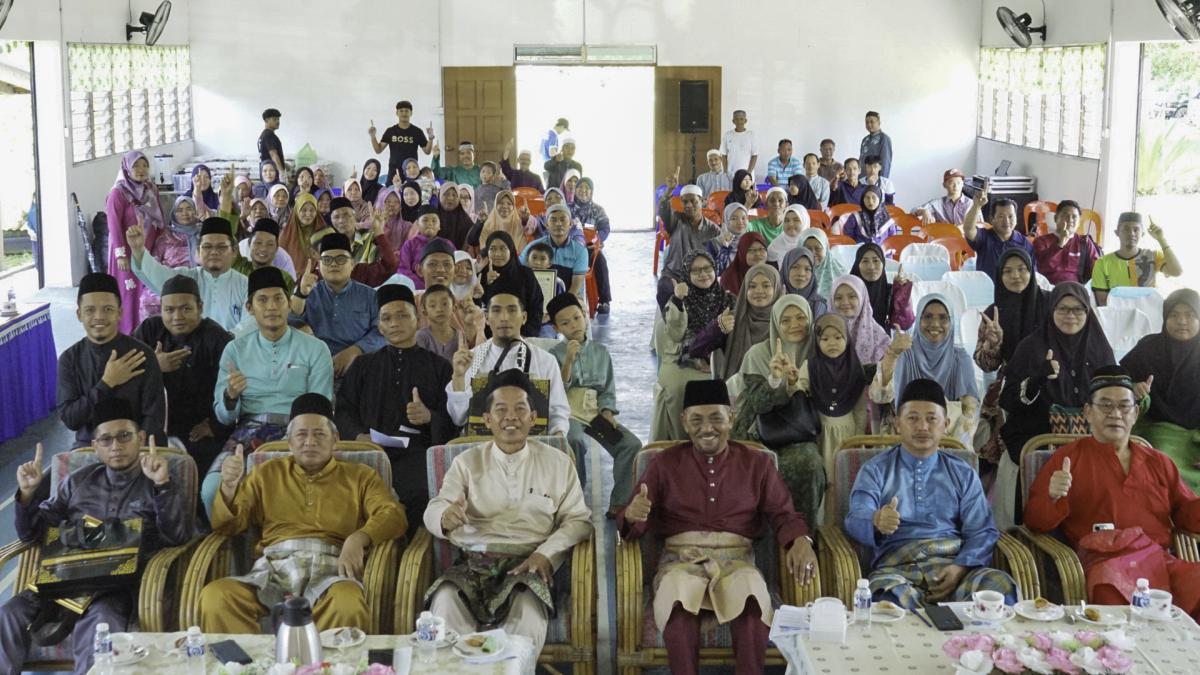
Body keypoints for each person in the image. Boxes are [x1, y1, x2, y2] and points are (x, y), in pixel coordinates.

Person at [619, 379, 817, 675]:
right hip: (680, 562)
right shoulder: (663, 463)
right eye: (696, 420)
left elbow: (784, 513)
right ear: (684, 422)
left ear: (731, 418)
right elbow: (633, 521)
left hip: (738, 562)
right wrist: (632, 516)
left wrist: (800, 539)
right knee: (678, 606)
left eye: (716, 418)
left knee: (752, 606)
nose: (706, 428)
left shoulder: (757, 464)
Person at [0, 399, 188, 675]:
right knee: (8, 614)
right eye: (106, 439)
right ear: (95, 446)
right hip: (64, 579)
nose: (116, 446)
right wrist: (28, 495)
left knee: (101, 624)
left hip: (117, 588)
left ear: (140, 438)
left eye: (124, 436)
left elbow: (176, 537)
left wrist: (162, 485)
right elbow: (33, 534)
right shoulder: (78, 481)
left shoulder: (159, 480)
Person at [200, 393, 407, 632]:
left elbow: (393, 514)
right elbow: (227, 526)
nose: (310, 442)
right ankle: (247, 658)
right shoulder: (265, 474)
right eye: (301, 434)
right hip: (273, 569)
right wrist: (228, 487)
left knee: (347, 602)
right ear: (289, 442)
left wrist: (359, 538)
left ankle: (322, 658)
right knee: (217, 596)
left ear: (335, 440)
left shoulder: (360, 476)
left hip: (333, 568)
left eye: (319, 434)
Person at [425, 369, 592, 658]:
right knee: (445, 603)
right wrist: (444, 516)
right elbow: (436, 506)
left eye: (520, 409)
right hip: (474, 564)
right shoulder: (467, 463)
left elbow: (579, 521)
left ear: (533, 418)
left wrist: (546, 554)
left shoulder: (558, 463)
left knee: (527, 616)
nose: (511, 417)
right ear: (487, 419)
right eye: (501, 410)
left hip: (530, 564)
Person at [1025, 366, 1200, 618]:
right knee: (1111, 587)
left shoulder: (1159, 462)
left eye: (1124, 406)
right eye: (1105, 405)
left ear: (1135, 413)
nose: (1115, 414)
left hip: (1159, 563)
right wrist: (1052, 496)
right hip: (1102, 565)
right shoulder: (1068, 459)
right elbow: (1034, 521)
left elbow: (1188, 515)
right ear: (1088, 412)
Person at [845, 378, 1015, 608]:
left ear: (945, 424)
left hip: (955, 567)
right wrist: (875, 519)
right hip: (897, 570)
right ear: (897, 423)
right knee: (888, 599)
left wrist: (960, 567)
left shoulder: (962, 472)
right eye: (912, 418)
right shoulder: (875, 470)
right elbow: (855, 516)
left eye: (931, 419)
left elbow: (982, 530)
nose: (922, 427)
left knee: (999, 586)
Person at [200, 267, 334, 515]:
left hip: (301, 431)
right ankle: (230, 541)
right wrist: (231, 396)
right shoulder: (235, 350)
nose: (271, 306)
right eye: (262, 300)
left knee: (282, 490)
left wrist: (292, 439)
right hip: (249, 430)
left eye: (278, 299)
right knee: (211, 490)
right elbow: (224, 417)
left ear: (289, 304)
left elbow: (322, 406)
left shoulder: (315, 348)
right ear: (250, 308)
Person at [336, 284, 454, 530]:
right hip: (369, 451)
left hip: (416, 454)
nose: (394, 323)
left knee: (420, 493)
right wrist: (358, 436)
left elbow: (452, 419)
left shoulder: (440, 367)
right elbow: (344, 410)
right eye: (387, 318)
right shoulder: (363, 365)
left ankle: (415, 549)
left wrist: (429, 417)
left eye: (402, 315)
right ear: (379, 326)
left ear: (418, 319)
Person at [997, 282, 1115, 526]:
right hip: (1039, 434)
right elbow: (1007, 400)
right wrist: (1036, 380)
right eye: (1062, 309)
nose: (1070, 315)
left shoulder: (1100, 349)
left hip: (1090, 439)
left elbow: (1112, 398)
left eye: (1078, 309)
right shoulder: (1031, 347)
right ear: (1051, 311)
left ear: (1088, 312)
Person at [729, 294, 827, 524]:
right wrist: (774, 380)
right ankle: (757, 534)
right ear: (775, 323)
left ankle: (803, 532)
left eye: (801, 317)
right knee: (753, 467)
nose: (794, 325)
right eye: (786, 320)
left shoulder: (819, 352)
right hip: (757, 431)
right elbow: (757, 405)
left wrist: (796, 384)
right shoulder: (758, 354)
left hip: (799, 434)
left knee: (810, 465)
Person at [547, 293, 642, 513]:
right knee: (574, 440)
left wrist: (607, 410)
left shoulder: (601, 352)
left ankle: (620, 502)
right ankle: (575, 500)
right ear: (556, 328)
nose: (574, 325)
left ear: (585, 316)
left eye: (577, 318)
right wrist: (568, 360)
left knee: (630, 444)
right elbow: (556, 391)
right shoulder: (553, 354)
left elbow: (607, 388)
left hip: (594, 412)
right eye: (565, 323)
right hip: (569, 412)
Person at [444, 284, 572, 441]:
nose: (504, 317)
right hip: (482, 446)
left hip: (531, 446)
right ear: (487, 318)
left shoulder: (545, 361)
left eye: (511, 310)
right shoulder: (472, 359)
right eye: (496, 311)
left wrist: (558, 437)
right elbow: (458, 418)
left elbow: (558, 412)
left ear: (524, 317)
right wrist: (458, 377)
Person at [133, 275, 232, 474]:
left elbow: (231, 387)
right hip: (154, 424)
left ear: (200, 307)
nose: (177, 317)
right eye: (169, 310)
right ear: (161, 309)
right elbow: (126, 374)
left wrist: (215, 425)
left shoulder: (216, 338)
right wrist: (154, 366)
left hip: (199, 428)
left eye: (186, 309)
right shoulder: (149, 331)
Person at [58, 272, 165, 448]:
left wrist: (133, 450)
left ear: (119, 313)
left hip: (137, 449)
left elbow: (154, 417)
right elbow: (71, 419)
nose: (99, 316)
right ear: (79, 314)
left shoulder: (142, 355)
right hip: (89, 448)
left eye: (108, 309)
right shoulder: (69, 359)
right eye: (90, 310)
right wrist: (107, 383)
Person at [1121, 289, 1200, 492]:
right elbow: (1119, 380)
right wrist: (1133, 388)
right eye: (1174, 315)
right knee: (1166, 468)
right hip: (1159, 428)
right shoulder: (1148, 348)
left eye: (1190, 315)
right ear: (1164, 317)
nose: (1182, 321)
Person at [651, 251, 733, 441]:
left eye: (707, 268)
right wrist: (678, 300)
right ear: (687, 274)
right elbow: (676, 334)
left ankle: (719, 444)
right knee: (678, 389)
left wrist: (714, 357)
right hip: (683, 359)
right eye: (696, 271)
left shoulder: (727, 299)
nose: (703, 274)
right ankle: (682, 443)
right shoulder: (680, 300)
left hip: (717, 359)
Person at [128, 217, 252, 334]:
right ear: (198, 251)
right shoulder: (186, 279)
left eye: (221, 247)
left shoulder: (245, 285)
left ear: (234, 251)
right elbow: (156, 274)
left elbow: (249, 323)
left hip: (232, 346)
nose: (214, 252)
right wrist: (138, 250)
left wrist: (224, 341)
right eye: (207, 247)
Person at [889, 295, 980, 447]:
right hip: (906, 435)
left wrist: (953, 446)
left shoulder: (960, 358)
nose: (935, 324)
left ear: (951, 322)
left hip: (949, 437)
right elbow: (884, 398)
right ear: (918, 320)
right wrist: (892, 354)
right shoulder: (904, 353)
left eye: (943, 318)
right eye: (928, 317)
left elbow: (970, 410)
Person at [291, 233, 386, 378]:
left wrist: (356, 350)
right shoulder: (308, 292)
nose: (333, 264)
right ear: (319, 265)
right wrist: (301, 294)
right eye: (327, 260)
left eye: (341, 259)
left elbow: (382, 332)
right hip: (313, 367)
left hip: (360, 367)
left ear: (352, 264)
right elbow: (289, 323)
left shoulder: (370, 296)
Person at [106, 150, 165, 333]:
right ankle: (127, 332)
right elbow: (114, 226)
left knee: (146, 292)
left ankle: (145, 332)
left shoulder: (151, 189)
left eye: (145, 165)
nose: (141, 170)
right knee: (129, 294)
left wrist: (161, 245)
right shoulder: (118, 193)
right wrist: (120, 255)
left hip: (148, 250)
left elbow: (160, 217)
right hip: (126, 252)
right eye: (136, 166)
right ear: (126, 168)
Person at [693, 264, 782, 382]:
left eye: (766, 286)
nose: (759, 291)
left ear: (776, 288)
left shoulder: (784, 322)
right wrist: (718, 328)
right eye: (752, 286)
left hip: (777, 389)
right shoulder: (732, 320)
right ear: (744, 289)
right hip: (736, 390)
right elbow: (695, 350)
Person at [1091, 212, 1182, 305]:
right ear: (1117, 232)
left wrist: (1161, 240)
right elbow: (1102, 302)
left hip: (1149, 312)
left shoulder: (1153, 256)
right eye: (1126, 229)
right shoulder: (1102, 263)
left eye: (1136, 229)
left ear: (1142, 233)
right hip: (1118, 313)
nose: (1131, 233)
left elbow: (1177, 272)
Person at [142, 196, 200, 319]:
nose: (185, 213)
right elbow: (155, 262)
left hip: (195, 279)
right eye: (180, 210)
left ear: (195, 211)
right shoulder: (166, 236)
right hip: (168, 279)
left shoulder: (202, 234)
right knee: (147, 299)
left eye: (189, 208)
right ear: (173, 214)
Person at [480, 232, 545, 338]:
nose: (498, 254)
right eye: (492, 249)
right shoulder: (481, 275)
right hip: (488, 335)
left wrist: (526, 334)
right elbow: (478, 307)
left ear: (511, 250)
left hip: (522, 334)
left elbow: (536, 306)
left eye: (503, 248)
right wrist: (485, 284)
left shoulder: (525, 274)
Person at [521, 204, 588, 302]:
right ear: (546, 225)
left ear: (570, 224)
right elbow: (520, 271)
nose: (558, 224)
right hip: (536, 297)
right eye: (553, 220)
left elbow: (575, 287)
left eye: (563, 219)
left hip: (571, 297)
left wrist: (560, 305)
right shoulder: (533, 247)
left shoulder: (580, 251)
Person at [964, 189, 1033, 281]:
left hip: (1014, 288)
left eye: (1010, 216)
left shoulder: (1024, 243)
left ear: (1016, 219)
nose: (1006, 221)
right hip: (987, 287)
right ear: (992, 219)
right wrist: (976, 206)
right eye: (1000, 216)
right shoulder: (984, 237)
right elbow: (968, 229)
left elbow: (1032, 273)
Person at [1031, 199, 1102, 285]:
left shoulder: (1084, 242)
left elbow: (1098, 268)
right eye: (1065, 215)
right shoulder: (1041, 241)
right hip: (1048, 288)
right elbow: (1040, 267)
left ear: (1079, 222)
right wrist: (1061, 242)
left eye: (1074, 217)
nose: (1070, 220)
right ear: (1056, 218)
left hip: (1076, 288)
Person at [568, 177, 613, 312]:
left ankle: (604, 301)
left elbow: (605, 228)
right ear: (575, 190)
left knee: (601, 261)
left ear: (591, 192)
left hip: (590, 248)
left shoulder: (598, 210)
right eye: (580, 187)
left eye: (587, 188)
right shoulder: (568, 208)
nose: (583, 190)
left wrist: (598, 240)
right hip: (571, 248)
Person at [850, 242, 914, 331]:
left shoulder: (891, 292)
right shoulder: (848, 291)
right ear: (857, 265)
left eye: (876, 260)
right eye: (865, 261)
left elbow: (903, 325)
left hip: (884, 339)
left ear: (883, 263)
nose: (871, 267)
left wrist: (901, 293)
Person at [832, 274, 892, 364]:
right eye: (838, 298)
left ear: (862, 298)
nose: (845, 302)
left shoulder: (876, 334)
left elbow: (886, 367)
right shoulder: (824, 328)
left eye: (852, 296)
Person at [368, 100, 434, 180]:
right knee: (393, 188)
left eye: (406, 111)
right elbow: (378, 150)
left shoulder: (417, 131)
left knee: (411, 188)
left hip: (411, 172)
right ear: (397, 113)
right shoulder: (390, 131)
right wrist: (373, 136)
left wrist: (430, 138)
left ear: (411, 113)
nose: (404, 113)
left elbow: (427, 151)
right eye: (401, 111)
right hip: (394, 172)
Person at [279, 192, 326, 277]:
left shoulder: (325, 233)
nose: (308, 214)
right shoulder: (286, 236)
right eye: (304, 210)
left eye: (312, 210)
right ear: (297, 211)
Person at [415, 284, 461, 361]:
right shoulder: (421, 337)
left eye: (444, 304)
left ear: (454, 308)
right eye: (433, 305)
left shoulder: (460, 336)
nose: (439, 309)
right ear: (425, 312)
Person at [780, 247, 828, 317]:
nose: (801, 273)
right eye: (795, 267)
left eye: (807, 269)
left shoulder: (819, 305)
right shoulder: (772, 299)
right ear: (786, 269)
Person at [802, 228, 847, 300]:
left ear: (825, 249)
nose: (812, 253)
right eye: (808, 249)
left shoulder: (841, 275)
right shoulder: (792, 273)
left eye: (818, 248)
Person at [707, 203, 749, 276]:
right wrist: (725, 248)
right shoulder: (713, 244)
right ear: (726, 220)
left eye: (743, 218)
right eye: (734, 218)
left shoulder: (751, 241)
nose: (740, 222)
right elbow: (714, 273)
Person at [436, 182, 475, 250]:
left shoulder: (467, 222)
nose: (450, 198)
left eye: (454, 195)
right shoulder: (431, 217)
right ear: (439, 196)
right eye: (446, 194)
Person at [719, 109, 758, 176]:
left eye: (741, 119)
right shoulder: (727, 135)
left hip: (746, 173)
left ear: (745, 120)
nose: (739, 121)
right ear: (733, 121)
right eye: (736, 119)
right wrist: (725, 171)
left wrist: (749, 172)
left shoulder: (751, 135)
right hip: (731, 173)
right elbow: (724, 154)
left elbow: (754, 155)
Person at [859, 111, 893, 178]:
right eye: (867, 122)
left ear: (879, 122)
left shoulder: (884, 139)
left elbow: (885, 163)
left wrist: (882, 181)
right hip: (862, 178)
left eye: (872, 122)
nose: (869, 124)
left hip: (875, 179)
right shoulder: (865, 140)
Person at [258, 108, 285, 183]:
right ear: (266, 120)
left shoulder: (263, 135)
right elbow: (273, 155)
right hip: (271, 176)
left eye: (278, 119)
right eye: (274, 119)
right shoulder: (269, 135)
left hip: (266, 174)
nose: (278, 122)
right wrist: (282, 173)